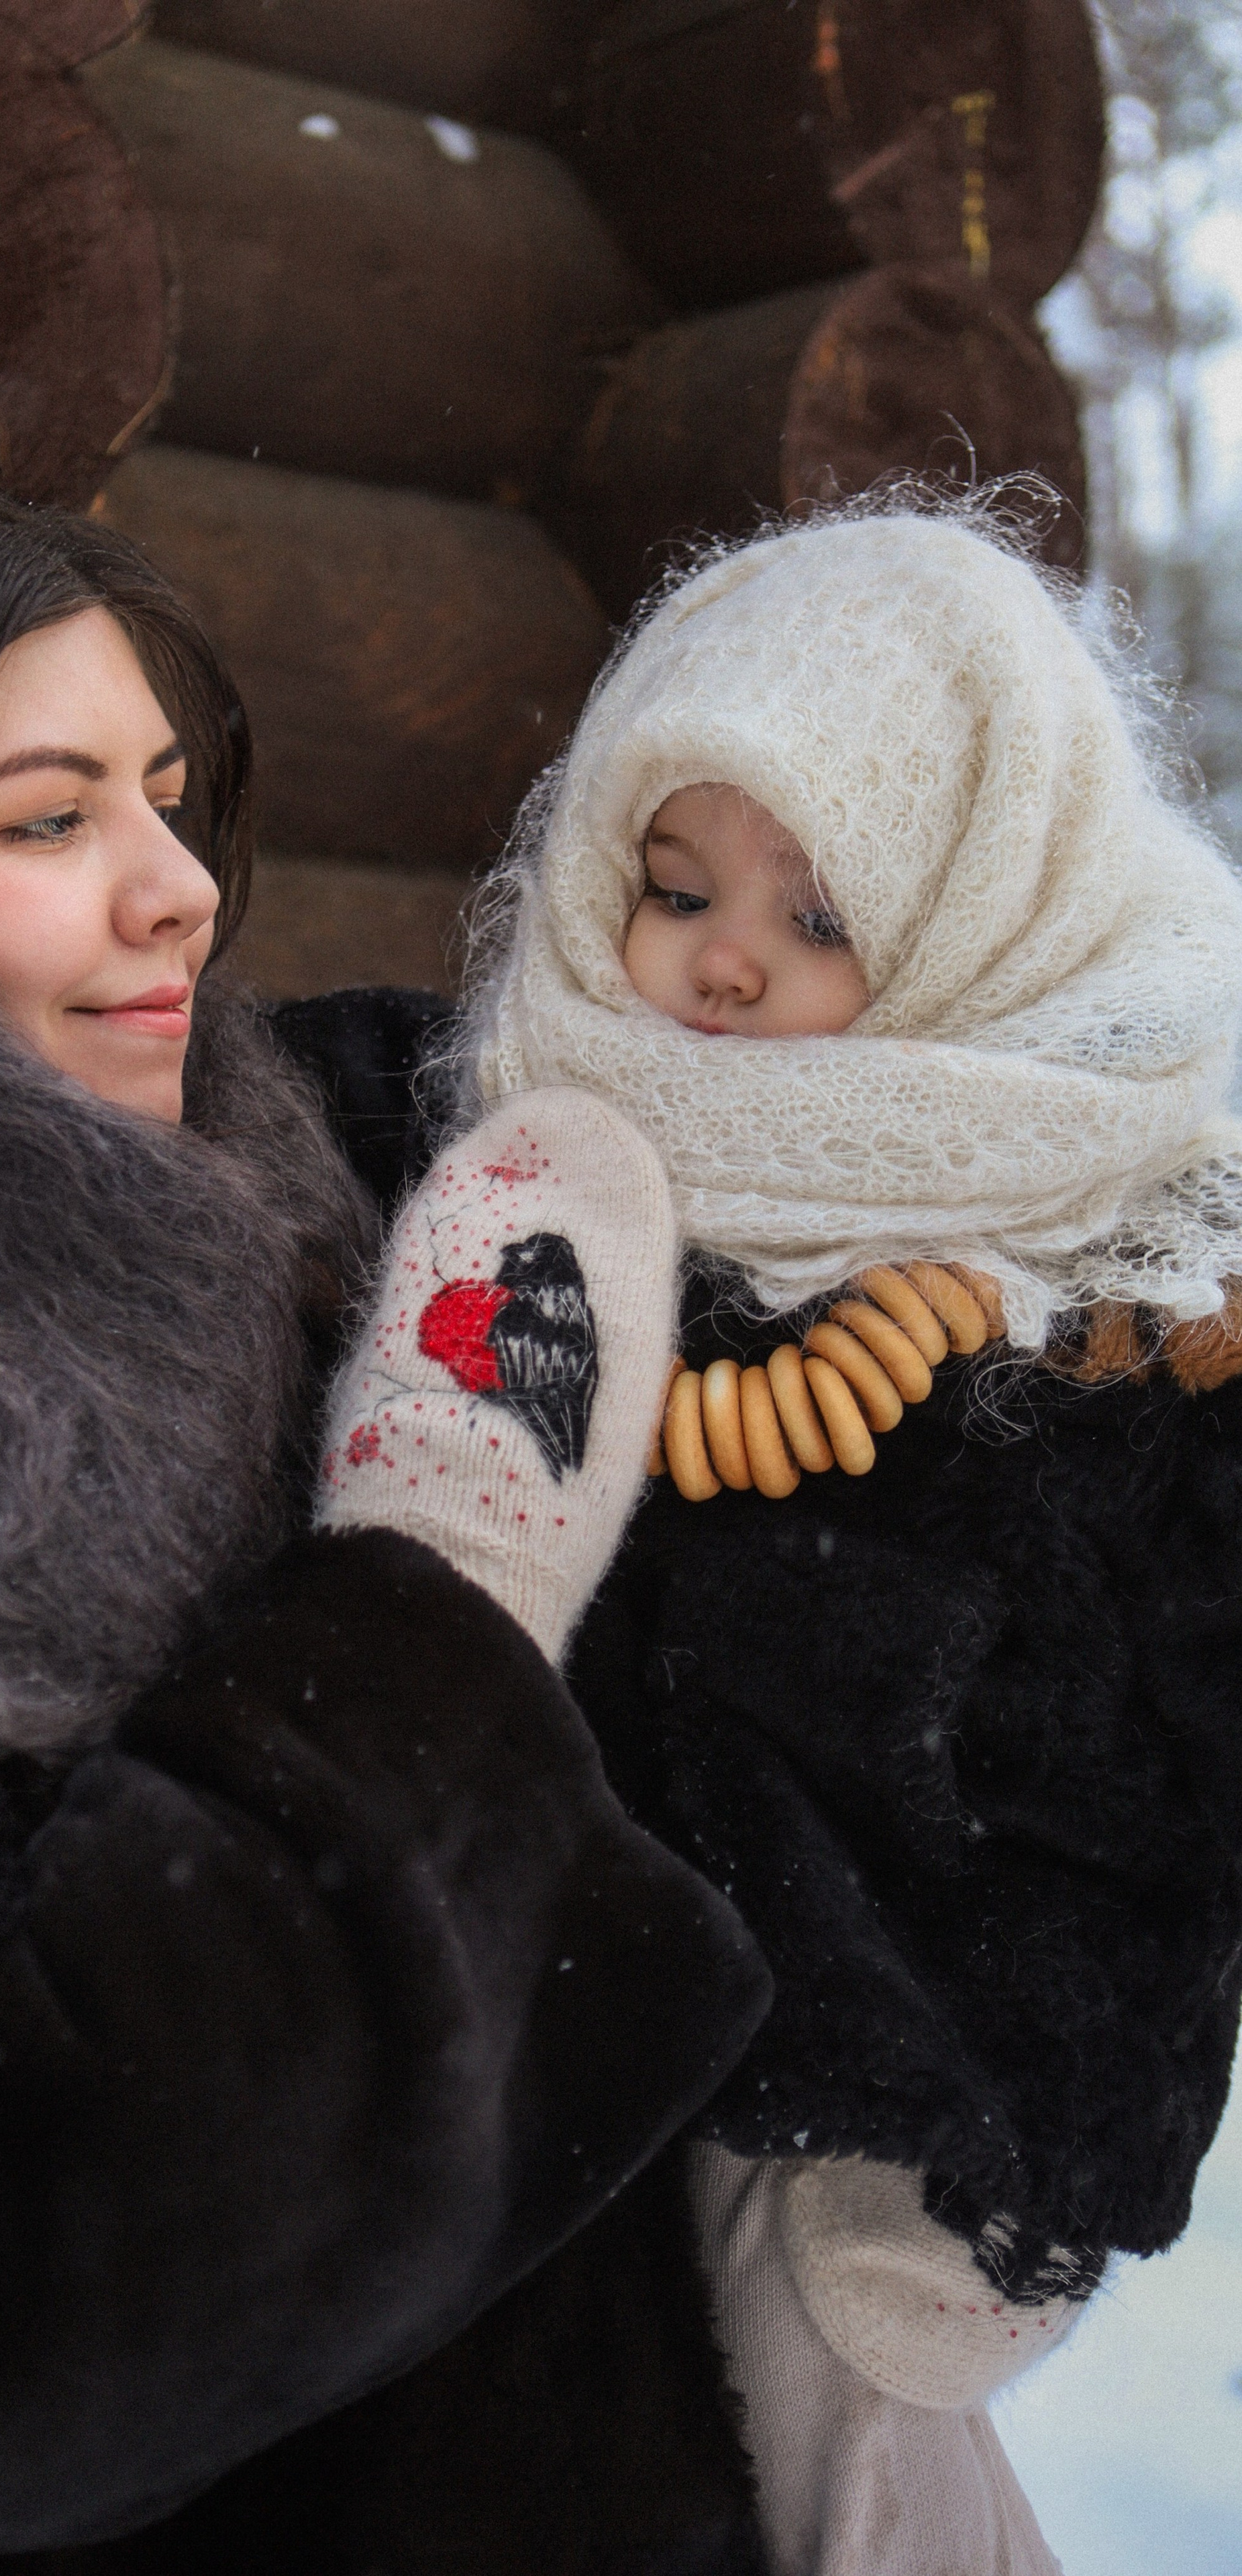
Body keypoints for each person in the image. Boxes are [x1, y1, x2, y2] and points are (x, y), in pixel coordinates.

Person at [0, 415, 772, 2571]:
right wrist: (447, 1567)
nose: (180, 883)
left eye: (168, 798)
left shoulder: (269, 1206)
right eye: (48, 815)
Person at [440, 496, 1242, 2573]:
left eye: (823, 917)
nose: (721, 961)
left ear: (985, 923)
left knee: (846, 2445)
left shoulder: (1114, 1243)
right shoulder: (530, 1152)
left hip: (909, 2067)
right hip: (570, 2030)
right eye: (675, 887)